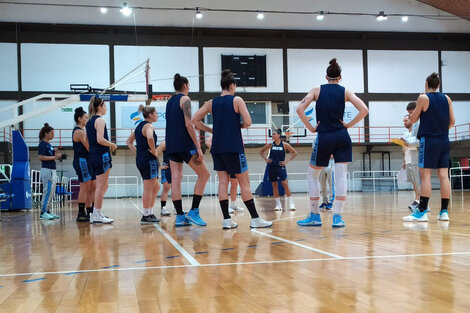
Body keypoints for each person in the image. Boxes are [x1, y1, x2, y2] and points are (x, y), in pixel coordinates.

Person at [192, 69, 273, 229]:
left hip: (217, 148)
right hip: (234, 147)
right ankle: (255, 218)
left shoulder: (211, 103)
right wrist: (240, 125)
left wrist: (211, 131)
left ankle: (226, 220)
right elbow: (248, 122)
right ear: (232, 85)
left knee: (223, 182)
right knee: (245, 183)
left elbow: (194, 120)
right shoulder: (237, 100)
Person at [296, 58, 368, 228]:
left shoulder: (316, 90)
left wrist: (311, 128)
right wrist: (348, 125)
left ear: (326, 76)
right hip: (342, 136)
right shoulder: (345, 92)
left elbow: (299, 109)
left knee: (312, 175)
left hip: (325, 136)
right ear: (340, 77)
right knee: (341, 175)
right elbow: (364, 109)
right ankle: (338, 217)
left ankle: (314, 215)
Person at [403, 73, 455, 222]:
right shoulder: (447, 99)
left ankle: (421, 212)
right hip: (444, 140)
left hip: (429, 140)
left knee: (425, 176)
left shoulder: (423, 98)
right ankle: (444, 212)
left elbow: (412, 119)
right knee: (444, 176)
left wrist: (419, 103)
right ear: (438, 85)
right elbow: (452, 121)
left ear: (426, 84)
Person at [165, 74, 210, 227]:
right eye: (189, 85)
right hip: (185, 144)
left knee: (176, 179)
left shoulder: (169, 102)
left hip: (171, 145)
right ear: (184, 85)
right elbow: (189, 124)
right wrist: (198, 146)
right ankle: (194, 212)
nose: (189, 88)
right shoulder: (185, 100)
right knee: (204, 174)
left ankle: (179, 216)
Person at [126, 104, 161, 224]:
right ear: (150, 115)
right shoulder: (148, 126)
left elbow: (129, 141)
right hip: (149, 159)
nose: (157, 116)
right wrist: (154, 151)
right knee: (149, 187)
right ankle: (146, 215)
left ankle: (149, 212)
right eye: (156, 113)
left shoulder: (139, 126)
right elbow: (150, 138)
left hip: (142, 159)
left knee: (156, 186)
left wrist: (137, 153)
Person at [86, 97, 117, 224]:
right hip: (101, 156)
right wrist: (112, 144)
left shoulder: (88, 122)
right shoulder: (100, 120)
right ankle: (97, 214)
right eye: (104, 106)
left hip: (93, 156)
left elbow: (87, 141)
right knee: (100, 187)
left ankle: (96, 212)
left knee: (103, 186)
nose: (106, 108)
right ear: (99, 107)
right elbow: (100, 139)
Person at [259, 129, 298, 211]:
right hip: (271, 167)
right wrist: (266, 159)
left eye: (274, 134)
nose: (273, 136)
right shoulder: (270, 144)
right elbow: (261, 151)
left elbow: (295, 152)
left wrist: (286, 161)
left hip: (280, 166)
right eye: (272, 134)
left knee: (285, 184)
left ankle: (291, 203)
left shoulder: (284, 145)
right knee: (274, 185)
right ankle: (278, 204)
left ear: (279, 135)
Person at [206, 134, 244, 214]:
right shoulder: (217, 131)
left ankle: (233, 204)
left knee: (235, 182)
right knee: (224, 181)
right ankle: (226, 208)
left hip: (232, 157)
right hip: (223, 157)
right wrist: (216, 152)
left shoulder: (230, 131)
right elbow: (208, 143)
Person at [72, 107, 96, 222]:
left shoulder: (83, 131)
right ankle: (81, 213)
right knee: (85, 188)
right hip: (82, 161)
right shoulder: (78, 132)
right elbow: (88, 147)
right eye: (86, 118)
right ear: (79, 119)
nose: (87, 119)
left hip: (87, 161)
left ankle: (90, 211)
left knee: (92, 188)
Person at [38, 123, 62, 220]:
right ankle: (43, 212)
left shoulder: (49, 145)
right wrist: (54, 157)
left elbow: (50, 155)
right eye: (51, 133)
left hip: (52, 170)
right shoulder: (42, 144)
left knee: (51, 192)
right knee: (47, 191)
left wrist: (54, 151)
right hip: (47, 170)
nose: (53, 135)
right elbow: (41, 157)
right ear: (46, 134)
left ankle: (47, 211)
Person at [401, 112, 420, 212]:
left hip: (415, 158)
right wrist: (404, 160)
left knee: (418, 181)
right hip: (408, 159)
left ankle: (419, 200)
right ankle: (417, 199)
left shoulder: (415, 132)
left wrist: (408, 144)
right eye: (403, 121)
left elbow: (416, 145)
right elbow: (404, 148)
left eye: (406, 120)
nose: (404, 123)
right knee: (413, 181)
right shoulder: (405, 134)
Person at [155, 141, 172, 216]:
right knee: (166, 188)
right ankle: (163, 208)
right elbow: (155, 153)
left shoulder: (177, 141)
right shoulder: (165, 143)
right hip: (167, 167)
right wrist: (159, 166)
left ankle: (177, 208)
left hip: (176, 167)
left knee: (176, 188)